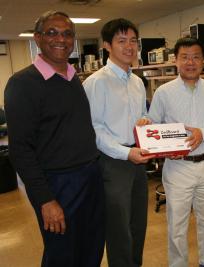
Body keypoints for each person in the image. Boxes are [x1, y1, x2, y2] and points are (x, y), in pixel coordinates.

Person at [4, 11, 105, 267]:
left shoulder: (73, 79)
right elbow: (20, 149)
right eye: (52, 32)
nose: (61, 38)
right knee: (62, 255)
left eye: (67, 33)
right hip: (58, 185)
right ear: (37, 38)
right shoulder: (23, 84)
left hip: (90, 178)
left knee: (91, 247)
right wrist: (45, 200)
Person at [147, 37, 204, 267]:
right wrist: (148, 127)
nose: (190, 62)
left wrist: (202, 133)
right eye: (184, 57)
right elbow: (153, 124)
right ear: (176, 61)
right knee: (177, 224)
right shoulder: (164, 92)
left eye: (196, 57)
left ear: (203, 61)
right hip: (178, 167)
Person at [83, 18, 154, 267]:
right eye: (121, 41)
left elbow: (138, 117)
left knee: (137, 224)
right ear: (107, 46)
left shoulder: (136, 82)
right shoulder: (96, 83)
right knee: (118, 229)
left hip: (138, 159)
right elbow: (94, 129)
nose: (129, 46)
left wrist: (144, 121)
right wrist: (126, 153)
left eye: (133, 41)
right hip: (112, 162)